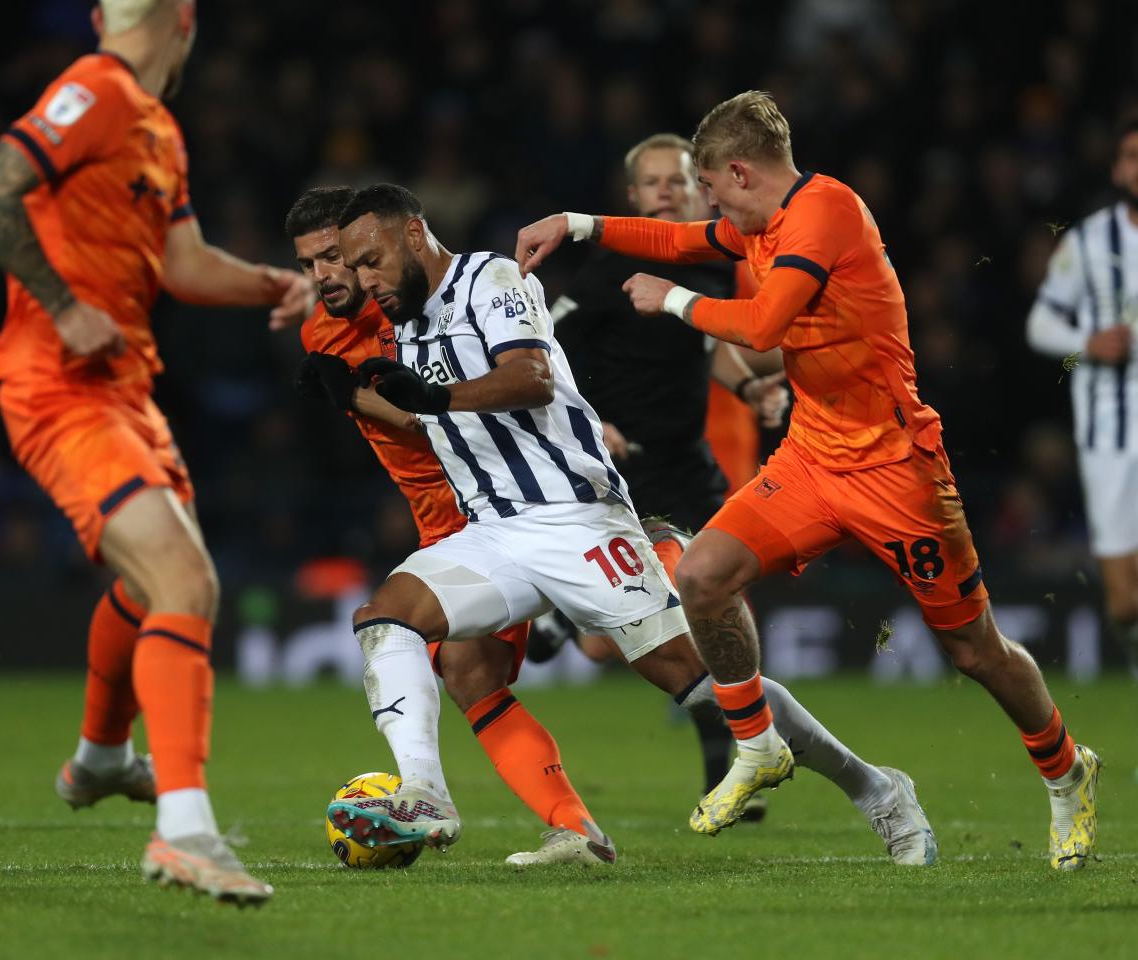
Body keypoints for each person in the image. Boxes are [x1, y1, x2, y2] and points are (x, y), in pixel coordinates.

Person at [515, 90, 1100, 872]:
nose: (709, 205)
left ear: (739, 171)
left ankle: (1066, 771)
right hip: (812, 457)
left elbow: (761, 328)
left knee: (974, 650)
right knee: (705, 575)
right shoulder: (761, 218)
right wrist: (579, 225)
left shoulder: (826, 213)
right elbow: (681, 239)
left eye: (712, 187)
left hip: (897, 469)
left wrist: (672, 302)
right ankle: (754, 743)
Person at [322, 183, 937, 867]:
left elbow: (529, 378)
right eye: (356, 270)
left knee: (705, 684)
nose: (366, 281)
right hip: (493, 531)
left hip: (577, 518)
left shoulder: (489, 277)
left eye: (371, 261)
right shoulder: (406, 323)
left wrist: (432, 396)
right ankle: (424, 793)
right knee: (387, 619)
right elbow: (432, 423)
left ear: (413, 236)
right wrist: (357, 400)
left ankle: (877, 788)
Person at [0, 0, 311, 904]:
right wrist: (63, 305)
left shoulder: (158, 128)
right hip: (58, 384)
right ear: (185, 23)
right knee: (188, 585)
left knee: (148, 586)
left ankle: (103, 758)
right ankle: (185, 833)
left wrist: (268, 282)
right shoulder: (94, 88)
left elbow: (182, 264)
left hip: (126, 392)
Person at [285, 185, 612, 866]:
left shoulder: (413, 310)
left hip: (501, 511)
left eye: (333, 259)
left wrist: (357, 397)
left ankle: (433, 794)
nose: (323, 276)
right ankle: (573, 829)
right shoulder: (321, 330)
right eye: (309, 264)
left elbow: (444, 417)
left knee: (663, 660)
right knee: (471, 676)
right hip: (443, 523)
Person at [544, 132, 788, 804]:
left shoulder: (713, 259)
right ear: (631, 197)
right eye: (651, 183)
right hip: (616, 474)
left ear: (698, 187)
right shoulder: (608, 261)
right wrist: (589, 420)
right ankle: (562, 617)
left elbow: (704, 343)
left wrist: (750, 390)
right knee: (606, 648)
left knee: (721, 595)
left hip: (689, 463)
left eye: (677, 180)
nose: (665, 192)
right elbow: (545, 346)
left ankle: (740, 761)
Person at [1026, 118, 1138, 696]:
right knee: (1124, 603)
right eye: (1131, 156)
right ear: (1119, 169)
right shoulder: (1090, 242)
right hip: (1109, 433)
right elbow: (1040, 321)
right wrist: (1087, 343)